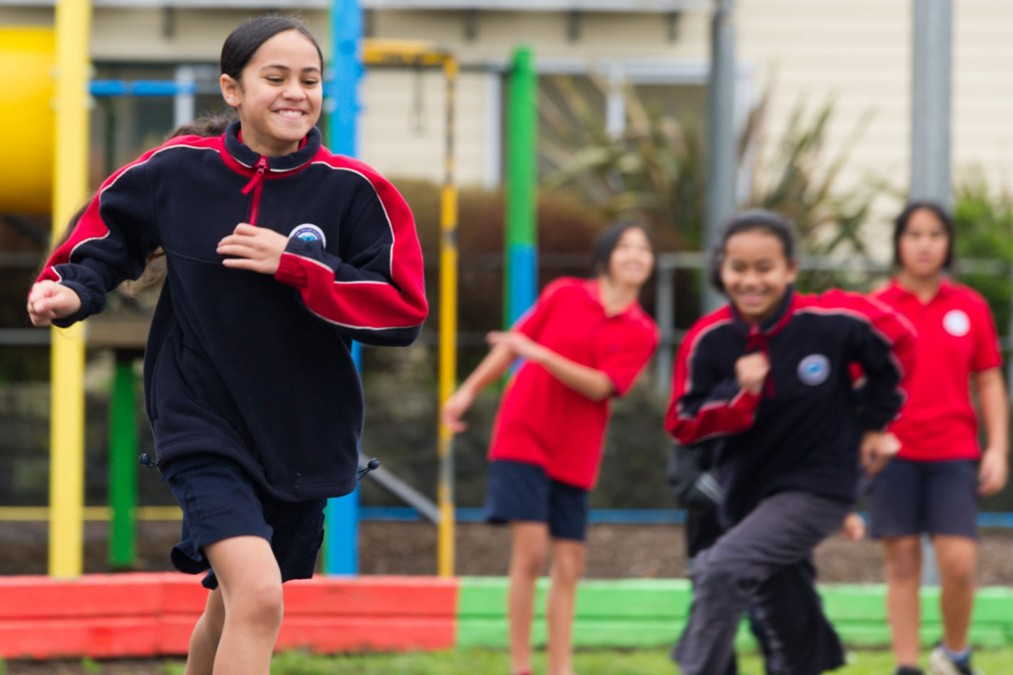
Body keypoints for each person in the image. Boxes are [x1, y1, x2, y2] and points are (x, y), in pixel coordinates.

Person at [27, 15, 427, 675]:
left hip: (302, 433)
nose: (295, 91)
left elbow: (401, 311)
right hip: (200, 420)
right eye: (275, 77)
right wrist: (70, 289)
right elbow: (105, 237)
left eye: (309, 78)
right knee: (259, 594)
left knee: (232, 602)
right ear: (232, 89)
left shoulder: (355, 191)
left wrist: (297, 263)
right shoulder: (175, 172)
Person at [665, 209, 916, 675]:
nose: (751, 281)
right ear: (722, 269)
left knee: (720, 569)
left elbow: (900, 344)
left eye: (765, 267)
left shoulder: (831, 322)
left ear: (790, 269)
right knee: (787, 612)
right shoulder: (710, 340)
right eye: (738, 267)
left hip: (820, 484)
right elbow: (683, 423)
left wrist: (876, 424)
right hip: (745, 496)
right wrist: (741, 394)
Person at [442, 222, 659, 675]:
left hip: (577, 449)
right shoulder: (564, 294)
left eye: (644, 249)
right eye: (626, 246)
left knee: (571, 561)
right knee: (532, 553)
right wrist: (466, 392)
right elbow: (511, 346)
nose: (636, 255)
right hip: (523, 434)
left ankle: (561, 668)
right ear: (606, 255)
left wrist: (539, 355)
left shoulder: (642, 331)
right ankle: (521, 666)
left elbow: (601, 386)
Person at [865, 201, 1009, 675]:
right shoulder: (877, 308)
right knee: (902, 563)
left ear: (947, 243)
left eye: (934, 234)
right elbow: (855, 381)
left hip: (954, 454)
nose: (924, 244)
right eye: (914, 234)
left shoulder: (970, 306)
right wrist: (865, 437)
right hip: (894, 455)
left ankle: (955, 654)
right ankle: (907, 666)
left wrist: (998, 448)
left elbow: (988, 378)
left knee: (960, 563)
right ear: (898, 243)